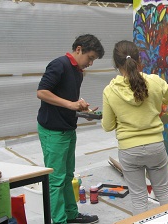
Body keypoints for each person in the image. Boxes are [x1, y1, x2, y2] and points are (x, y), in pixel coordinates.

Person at [101, 40, 168, 215]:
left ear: (116, 64)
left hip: (129, 150)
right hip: (155, 146)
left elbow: (107, 126)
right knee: (164, 192)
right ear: (139, 60)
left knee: (139, 198)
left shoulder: (110, 90)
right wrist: (159, 100)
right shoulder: (154, 81)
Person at [37, 34, 104, 224]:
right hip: (53, 131)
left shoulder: (78, 71)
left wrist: (82, 108)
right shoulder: (59, 65)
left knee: (67, 176)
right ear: (78, 49)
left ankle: (71, 215)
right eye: (89, 58)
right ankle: (59, 221)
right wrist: (69, 104)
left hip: (67, 129)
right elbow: (41, 92)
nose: (90, 63)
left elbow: (68, 100)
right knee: (56, 180)